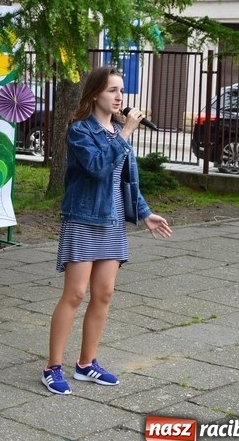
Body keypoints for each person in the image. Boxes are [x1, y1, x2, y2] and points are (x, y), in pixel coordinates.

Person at [42, 66, 172, 396]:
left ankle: (86, 364)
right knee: (75, 294)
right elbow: (99, 168)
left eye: (121, 91)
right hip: (84, 218)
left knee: (104, 294)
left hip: (113, 221)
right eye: (112, 90)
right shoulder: (80, 130)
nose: (119, 98)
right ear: (95, 93)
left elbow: (125, 181)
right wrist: (125, 134)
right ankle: (52, 367)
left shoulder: (117, 130)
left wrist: (145, 213)